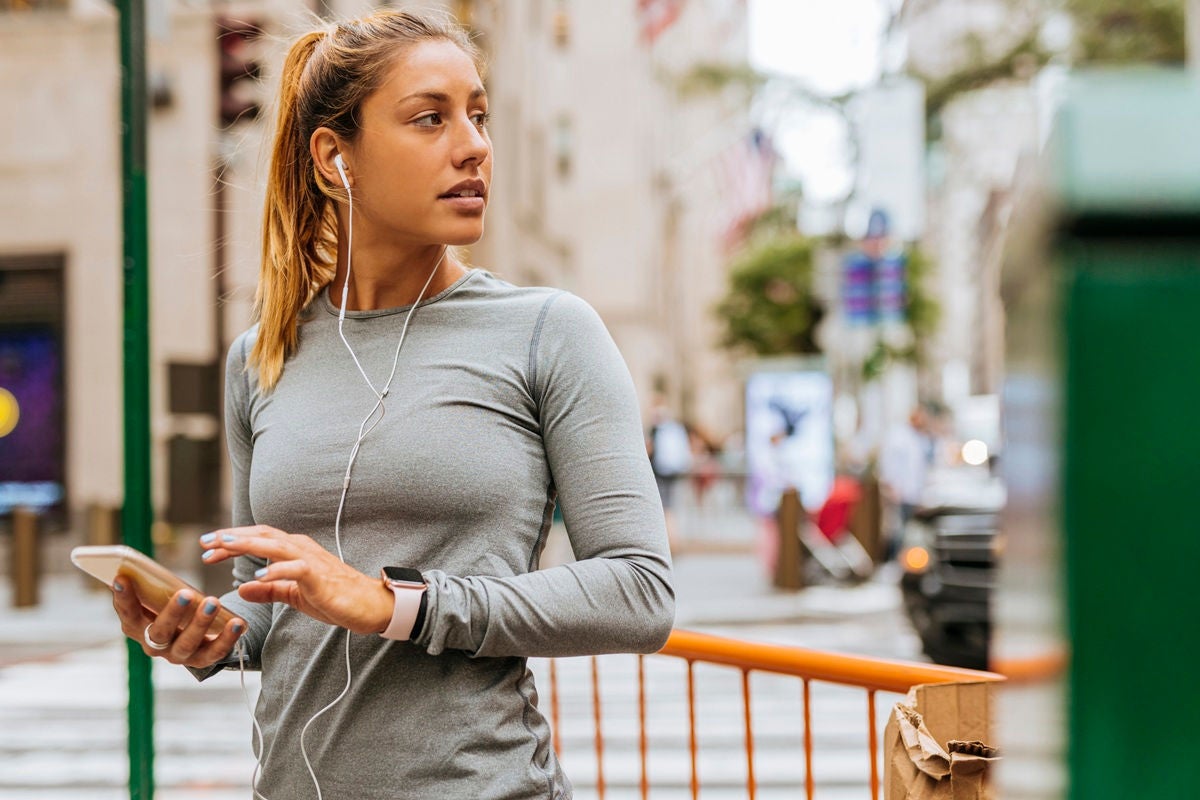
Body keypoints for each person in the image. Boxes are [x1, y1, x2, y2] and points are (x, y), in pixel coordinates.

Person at [107, 9, 674, 799]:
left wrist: (396, 605)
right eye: (430, 118)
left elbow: (639, 592)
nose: (474, 144)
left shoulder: (549, 332)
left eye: (478, 115)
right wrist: (207, 633)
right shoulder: (261, 355)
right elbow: (273, 605)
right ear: (336, 157)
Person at [877, 404, 935, 561]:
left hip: (913, 493)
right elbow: (889, 464)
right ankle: (893, 560)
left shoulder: (919, 437)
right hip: (901, 492)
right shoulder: (898, 436)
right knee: (898, 529)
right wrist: (892, 486)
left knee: (909, 530)